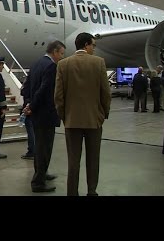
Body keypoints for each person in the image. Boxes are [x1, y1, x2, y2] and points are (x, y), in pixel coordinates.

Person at [54, 32, 111, 196]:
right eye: (93, 45)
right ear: (86, 45)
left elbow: (58, 96)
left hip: (72, 122)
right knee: (93, 160)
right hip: (94, 121)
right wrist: (102, 115)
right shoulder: (99, 63)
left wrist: (65, 116)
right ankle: (92, 191)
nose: (94, 48)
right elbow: (105, 94)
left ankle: (72, 193)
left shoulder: (63, 65)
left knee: (73, 162)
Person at [26, 40, 66, 193]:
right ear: (55, 51)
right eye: (61, 54)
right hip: (46, 115)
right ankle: (38, 183)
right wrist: (32, 106)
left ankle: (42, 173)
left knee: (40, 148)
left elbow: (27, 87)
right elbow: (43, 90)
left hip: (37, 115)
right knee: (45, 149)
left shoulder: (36, 64)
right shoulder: (51, 66)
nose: (61, 57)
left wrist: (29, 105)